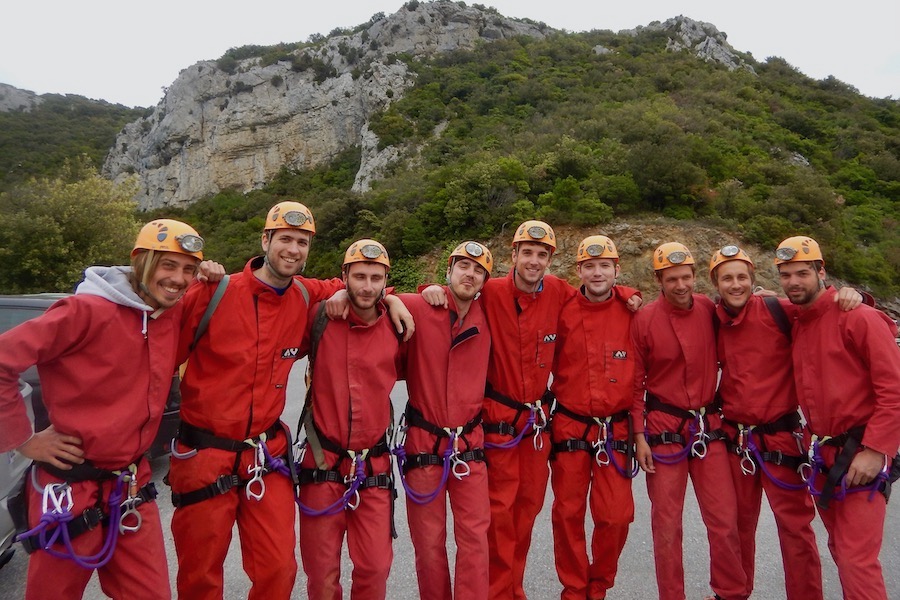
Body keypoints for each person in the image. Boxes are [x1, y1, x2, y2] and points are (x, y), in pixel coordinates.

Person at [0, 219, 214, 600]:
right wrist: (24, 440)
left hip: (131, 484)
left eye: (188, 269)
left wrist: (212, 275)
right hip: (68, 484)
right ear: (142, 261)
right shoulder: (84, 311)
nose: (179, 279)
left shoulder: (170, 314)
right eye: (168, 265)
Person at [168, 201, 343, 600]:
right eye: (285, 238)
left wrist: (398, 298)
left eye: (302, 242)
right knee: (199, 577)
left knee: (279, 569)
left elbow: (356, 284)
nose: (293, 249)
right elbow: (156, 361)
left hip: (265, 456)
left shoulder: (302, 293)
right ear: (266, 240)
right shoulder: (214, 291)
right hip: (203, 456)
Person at [775, 235, 900, 599]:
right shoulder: (800, 322)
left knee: (854, 559)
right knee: (841, 551)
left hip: (862, 453)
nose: (794, 282)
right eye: (786, 275)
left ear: (821, 272)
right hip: (827, 456)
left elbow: (893, 390)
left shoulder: (857, 317)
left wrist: (876, 450)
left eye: (802, 273)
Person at [631, 242, 747, 600]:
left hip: (707, 427)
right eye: (671, 279)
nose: (680, 285)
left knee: (724, 520)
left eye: (686, 277)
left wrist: (763, 294)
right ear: (658, 280)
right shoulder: (645, 319)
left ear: (696, 276)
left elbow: (747, 314)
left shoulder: (710, 310)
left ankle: (730, 592)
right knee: (666, 525)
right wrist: (638, 436)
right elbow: (635, 383)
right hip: (663, 428)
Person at [710, 244, 824, 600]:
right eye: (727, 278)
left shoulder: (780, 310)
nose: (736, 284)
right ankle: (733, 593)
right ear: (716, 283)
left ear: (753, 279)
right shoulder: (712, 319)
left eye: (742, 277)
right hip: (738, 439)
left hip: (781, 438)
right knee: (737, 526)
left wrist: (859, 296)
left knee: (795, 528)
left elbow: (825, 311)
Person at [296, 238, 401, 600]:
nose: (367, 286)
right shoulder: (320, 317)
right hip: (321, 462)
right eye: (359, 276)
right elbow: (282, 288)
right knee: (322, 574)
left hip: (373, 466)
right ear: (344, 277)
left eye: (376, 278)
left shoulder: (397, 324)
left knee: (374, 567)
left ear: (386, 279)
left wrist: (396, 298)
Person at [395, 241, 493, 600]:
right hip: (424, 442)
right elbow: (368, 292)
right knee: (428, 543)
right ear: (448, 270)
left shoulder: (489, 314)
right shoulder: (420, 306)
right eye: (463, 266)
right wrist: (392, 298)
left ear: (485, 280)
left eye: (478, 270)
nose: (470, 274)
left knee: (475, 539)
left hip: (469, 444)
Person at [549, 235, 638, 600]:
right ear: (579, 272)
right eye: (590, 266)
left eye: (605, 266)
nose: (597, 272)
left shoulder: (634, 312)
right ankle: (573, 588)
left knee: (616, 516)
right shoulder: (563, 308)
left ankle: (599, 584)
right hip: (570, 423)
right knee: (567, 513)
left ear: (617, 270)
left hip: (615, 427)